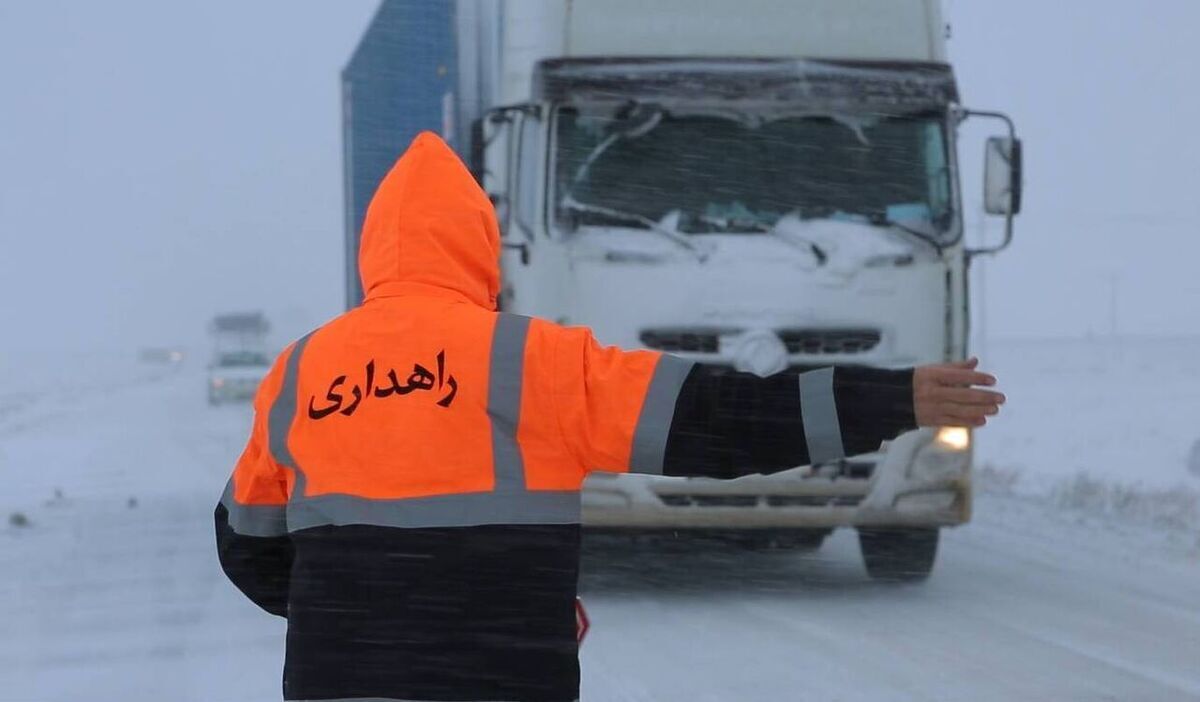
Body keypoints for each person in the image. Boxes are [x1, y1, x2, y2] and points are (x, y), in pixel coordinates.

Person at [215, 132, 1004, 702]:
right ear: (478, 249)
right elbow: (721, 419)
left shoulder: (299, 370)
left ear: (373, 251)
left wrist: (367, 619)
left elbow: (246, 543)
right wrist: (887, 399)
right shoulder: (532, 360)